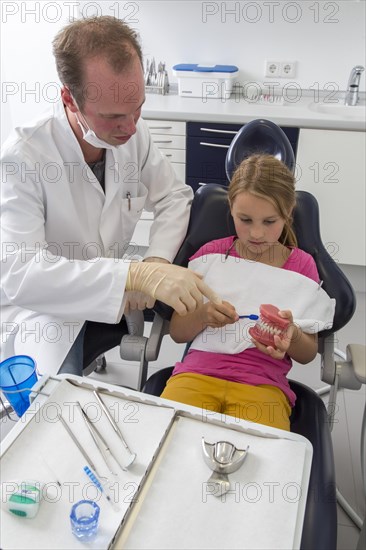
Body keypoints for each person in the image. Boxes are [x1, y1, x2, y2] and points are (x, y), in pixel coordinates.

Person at [0, 16, 218, 376]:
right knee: (57, 403)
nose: (131, 126)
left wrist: (156, 264)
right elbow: (21, 274)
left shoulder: (134, 134)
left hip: (109, 291)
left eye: (138, 108)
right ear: (69, 98)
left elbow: (174, 198)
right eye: (114, 116)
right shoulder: (23, 157)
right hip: (44, 310)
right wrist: (130, 276)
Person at [160, 154, 335, 431]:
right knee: (170, 440)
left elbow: (307, 354)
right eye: (245, 219)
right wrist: (203, 315)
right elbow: (179, 333)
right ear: (230, 208)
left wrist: (292, 334)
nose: (256, 233)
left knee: (260, 463)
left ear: (288, 212)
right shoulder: (210, 257)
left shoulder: (301, 266)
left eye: (269, 222)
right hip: (196, 374)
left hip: (263, 385)